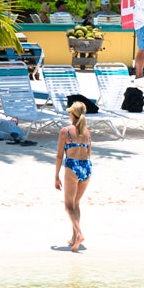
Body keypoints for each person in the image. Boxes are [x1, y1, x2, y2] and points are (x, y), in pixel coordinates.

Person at [55, 100, 93, 251]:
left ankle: (80, 234)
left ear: (72, 114)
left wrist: (56, 176)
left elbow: (59, 156)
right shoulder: (87, 132)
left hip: (73, 166)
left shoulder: (65, 131)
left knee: (68, 206)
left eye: (69, 112)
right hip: (87, 167)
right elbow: (88, 153)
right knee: (75, 204)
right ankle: (74, 237)